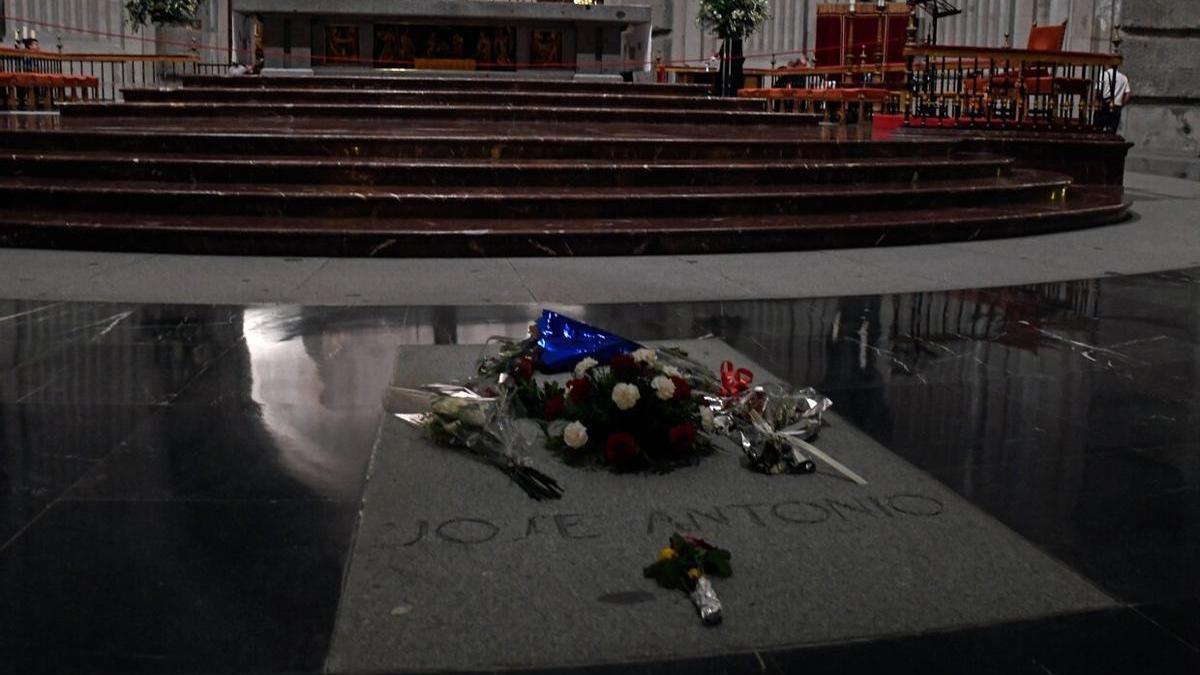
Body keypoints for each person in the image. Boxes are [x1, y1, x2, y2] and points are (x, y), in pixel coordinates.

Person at [1096, 68, 1131, 133]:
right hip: (1117, 106)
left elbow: (1099, 91)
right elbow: (1128, 94)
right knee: (1112, 130)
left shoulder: (1103, 74)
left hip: (1105, 105)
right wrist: (1121, 105)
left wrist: (1097, 101)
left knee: (1100, 129)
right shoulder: (1123, 77)